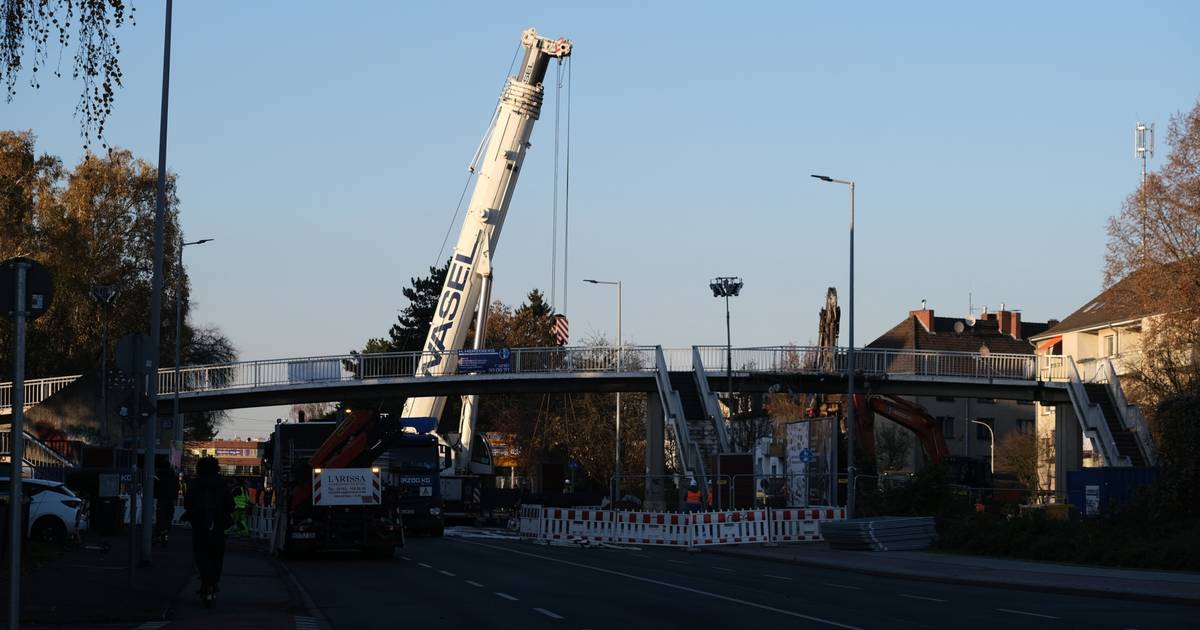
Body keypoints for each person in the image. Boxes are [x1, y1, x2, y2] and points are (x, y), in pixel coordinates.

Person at [183, 456, 234, 606]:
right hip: (218, 525)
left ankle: (206, 580)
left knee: (200, 553)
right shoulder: (222, 484)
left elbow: (187, 503)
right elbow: (230, 505)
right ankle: (213, 581)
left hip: (199, 524)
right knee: (217, 554)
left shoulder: (195, 484)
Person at [154, 462, 180, 545]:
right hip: (170, 500)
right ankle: (165, 537)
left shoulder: (158, 476)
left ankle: (159, 535)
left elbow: (155, 487)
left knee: (160, 518)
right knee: (168, 519)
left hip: (161, 499)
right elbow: (177, 487)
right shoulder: (174, 476)